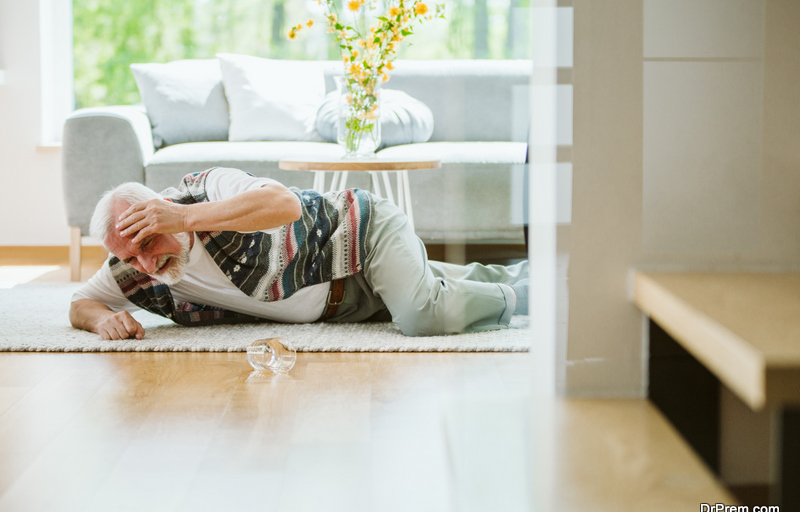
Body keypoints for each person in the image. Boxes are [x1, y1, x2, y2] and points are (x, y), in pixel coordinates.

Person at [70, 167, 529, 340]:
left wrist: (185, 220)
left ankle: (530, 299)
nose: (146, 265)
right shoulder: (138, 268)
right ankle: (534, 275)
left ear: (163, 209)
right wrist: (98, 318)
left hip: (360, 234)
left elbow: (284, 204)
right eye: (131, 259)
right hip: (342, 300)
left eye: (148, 242)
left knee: (421, 314)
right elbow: (81, 303)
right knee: (447, 284)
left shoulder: (205, 190)